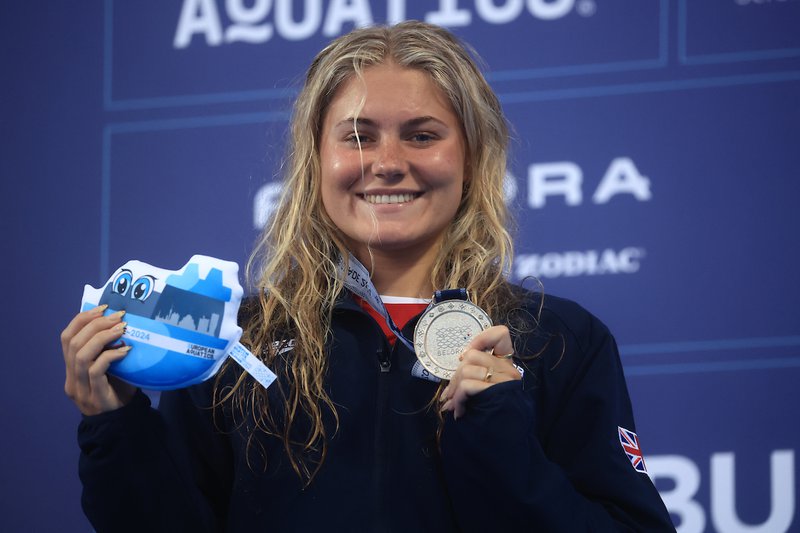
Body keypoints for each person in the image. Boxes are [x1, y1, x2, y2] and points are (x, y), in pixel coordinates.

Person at [62, 21, 674, 532]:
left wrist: (498, 435)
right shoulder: (232, 339)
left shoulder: (559, 340)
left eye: (422, 135)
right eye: (357, 136)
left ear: (471, 157)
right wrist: (112, 426)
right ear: (316, 161)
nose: (386, 163)